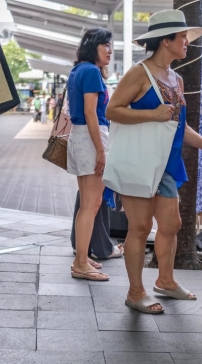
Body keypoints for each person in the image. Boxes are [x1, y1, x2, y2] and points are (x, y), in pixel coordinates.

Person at [105, 9, 202, 314]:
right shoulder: (139, 72)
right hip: (139, 161)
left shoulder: (176, 78)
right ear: (166, 41)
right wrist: (152, 114)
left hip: (165, 163)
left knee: (171, 224)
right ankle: (135, 292)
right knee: (139, 227)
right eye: (182, 37)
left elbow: (179, 125)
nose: (187, 42)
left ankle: (165, 280)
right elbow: (112, 111)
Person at [66, 27, 113, 281]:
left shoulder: (78, 70)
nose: (109, 50)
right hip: (90, 137)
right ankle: (81, 263)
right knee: (90, 205)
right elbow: (91, 112)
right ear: (93, 45)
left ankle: (81, 258)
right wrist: (101, 150)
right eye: (105, 44)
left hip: (79, 136)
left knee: (87, 204)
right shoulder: (92, 72)